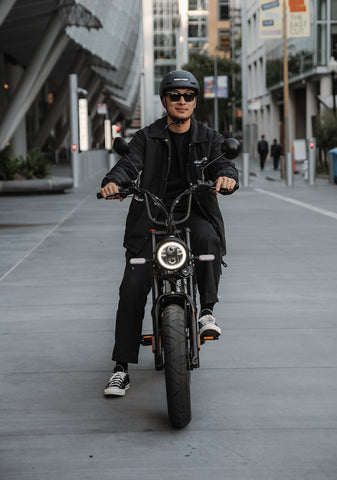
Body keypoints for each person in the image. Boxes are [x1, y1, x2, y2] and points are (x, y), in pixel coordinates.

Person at [100, 70, 239, 397]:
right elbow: (128, 165)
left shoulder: (208, 136)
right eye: (174, 95)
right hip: (151, 215)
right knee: (133, 285)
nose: (181, 101)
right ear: (165, 100)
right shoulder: (146, 137)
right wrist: (114, 182)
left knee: (207, 240)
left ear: (195, 101)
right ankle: (121, 367)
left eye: (188, 95)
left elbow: (223, 164)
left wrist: (227, 177)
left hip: (193, 211)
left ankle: (206, 311)